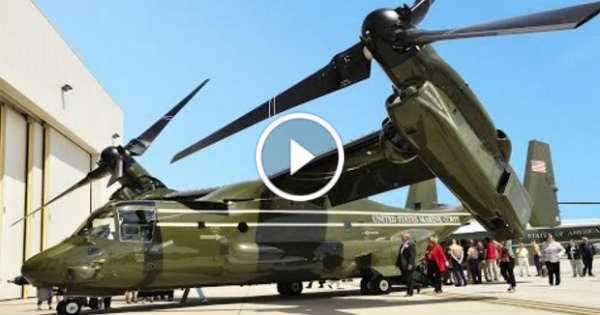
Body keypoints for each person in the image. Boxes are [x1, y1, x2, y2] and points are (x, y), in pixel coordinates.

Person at [396, 232, 417, 296]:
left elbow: (412, 255)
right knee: (406, 279)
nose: (401, 238)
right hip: (403, 265)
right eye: (401, 237)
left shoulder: (411, 244)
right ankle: (409, 291)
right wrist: (397, 263)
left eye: (402, 237)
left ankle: (410, 293)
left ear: (407, 238)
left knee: (409, 279)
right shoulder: (402, 245)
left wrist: (410, 264)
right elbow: (400, 255)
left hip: (408, 265)